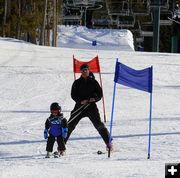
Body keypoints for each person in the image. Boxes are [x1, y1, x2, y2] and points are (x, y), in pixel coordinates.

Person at [64, 64, 113, 151]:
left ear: (89, 71)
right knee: (70, 125)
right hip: (79, 107)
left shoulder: (94, 82)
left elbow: (100, 94)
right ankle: (62, 145)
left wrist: (95, 99)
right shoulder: (77, 82)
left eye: (85, 70)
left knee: (99, 125)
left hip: (91, 107)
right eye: (82, 70)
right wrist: (80, 101)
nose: (84, 72)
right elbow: (73, 95)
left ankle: (109, 143)